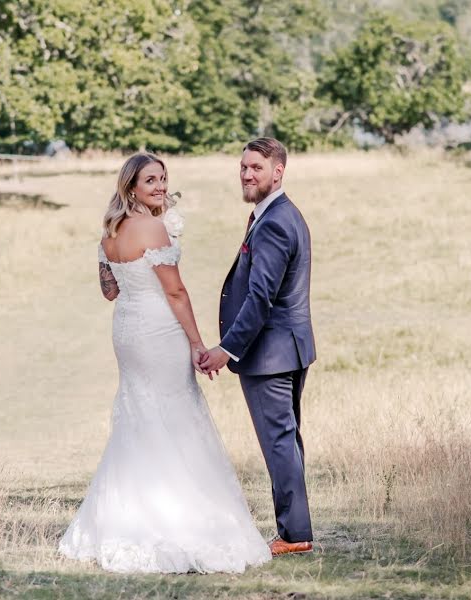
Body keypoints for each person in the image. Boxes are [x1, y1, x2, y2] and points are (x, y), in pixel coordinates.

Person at [59, 152, 271, 573]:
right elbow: (175, 293)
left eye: (162, 178)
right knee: (174, 412)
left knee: (139, 412)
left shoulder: (110, 233)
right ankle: (177, 518)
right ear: (131, 187)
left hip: (126, 331)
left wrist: (111, 258)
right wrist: (197, 344)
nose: (159, 186)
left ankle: (123, 518)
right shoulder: (152, 227)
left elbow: (109, 292)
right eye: (150, 180)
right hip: (159, 330)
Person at [200, 138, 316, 556]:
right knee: (285, 440)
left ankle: (294, 535)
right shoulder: (274, 215)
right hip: (287, 349)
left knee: (279, 442)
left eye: (257, 168)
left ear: (278, 172)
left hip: (269, 354)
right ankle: (295, 529)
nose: (248, 175)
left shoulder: (276, 222)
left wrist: (225, 349)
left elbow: (260, 298)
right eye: (244, 168)